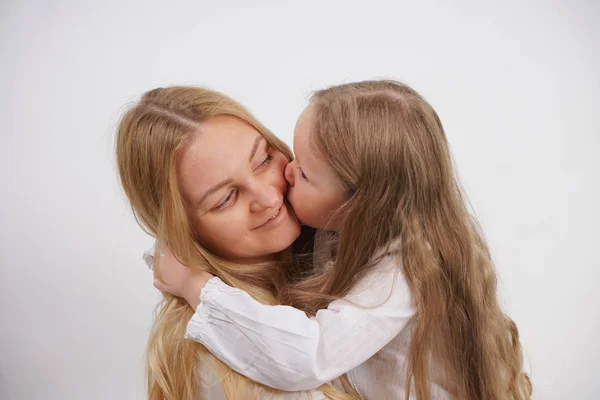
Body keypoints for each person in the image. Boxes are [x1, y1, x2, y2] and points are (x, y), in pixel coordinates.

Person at [154, 80, 533, 399]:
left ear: (357, 206)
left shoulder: (400, 272)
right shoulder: (351, 229)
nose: (285, 173)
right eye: (225, 198)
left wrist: (195, 284)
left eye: (302, 173)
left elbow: (308, 356)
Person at [115, 86, 356, 400]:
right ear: (184, 231)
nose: (269, 198)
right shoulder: (220, 360)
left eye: (262, 160)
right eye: (226, 199)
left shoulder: (334, 242)